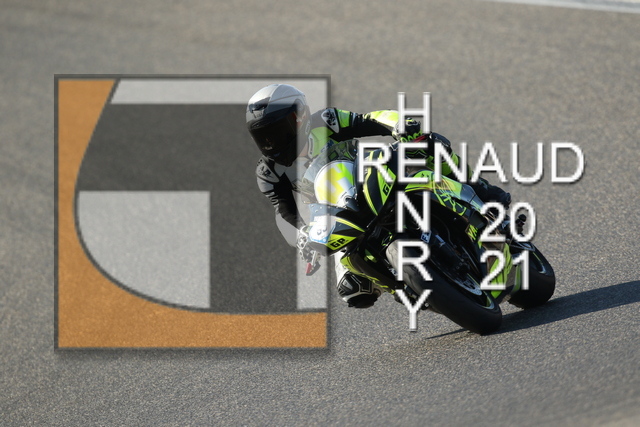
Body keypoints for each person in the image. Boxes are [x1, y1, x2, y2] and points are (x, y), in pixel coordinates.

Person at [246, 84, 510, 309]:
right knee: (354, 290)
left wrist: (398, 124)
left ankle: (482, 192)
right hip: (335, 213)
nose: (271, 143)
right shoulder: (268, 173)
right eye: (263, 137)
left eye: (277, 131)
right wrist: (302, 235)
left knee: (427, 144)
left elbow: (370, 120)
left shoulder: (325, 121)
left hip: (371, 178)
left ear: (300, 116)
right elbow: (283, 210)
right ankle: (405, 286)